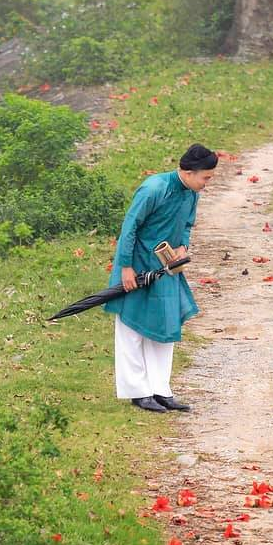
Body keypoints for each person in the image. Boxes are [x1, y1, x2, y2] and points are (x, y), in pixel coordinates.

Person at [105, 143, 218, 413]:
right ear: (188, 172)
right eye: (206, 178)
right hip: (136, 264)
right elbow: (129, 227)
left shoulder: (191, 193)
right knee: (131, 327)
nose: (207, 183)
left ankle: (160, 389)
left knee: (165, 326)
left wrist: (183, 247)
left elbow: (187, 225)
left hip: (166, 268)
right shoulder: (154, 188)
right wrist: (125, 267)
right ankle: (137, 391)